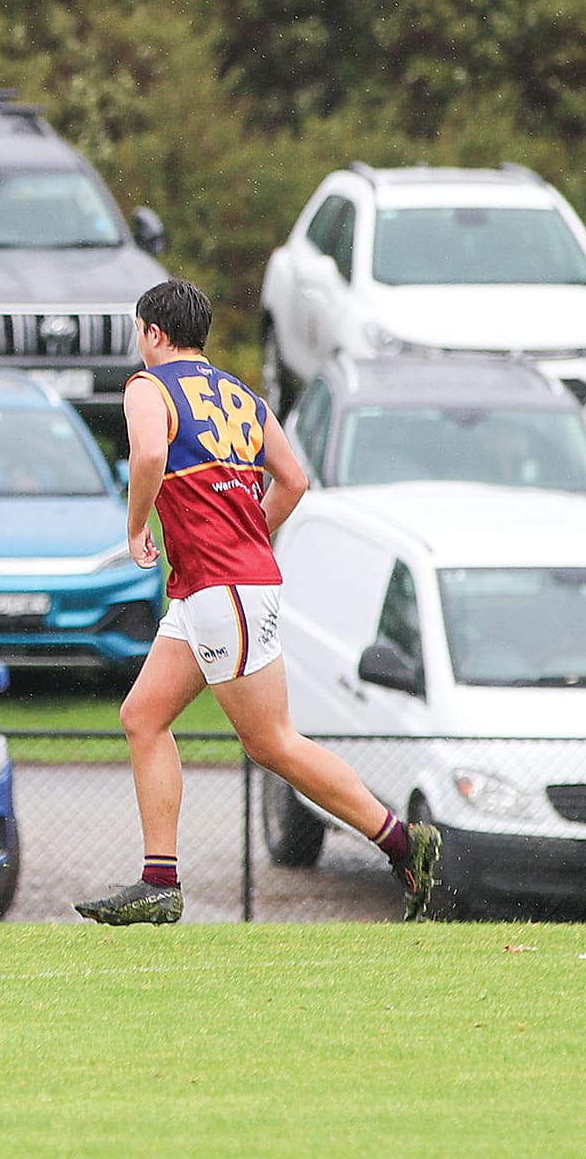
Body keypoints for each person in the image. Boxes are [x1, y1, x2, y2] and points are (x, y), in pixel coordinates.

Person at [74, 279, 442, 925]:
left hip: (224, 589)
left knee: (271, 741)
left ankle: (402, 843)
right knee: (143, 716)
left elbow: (151, 452)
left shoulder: (147, 386)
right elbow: (294, 479)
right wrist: (248, 538)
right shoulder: (242, 395)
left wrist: (137, 527)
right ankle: (159, 881)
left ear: (153, 333)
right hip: (214, 588)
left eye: (140, 331)